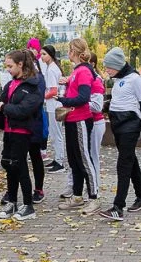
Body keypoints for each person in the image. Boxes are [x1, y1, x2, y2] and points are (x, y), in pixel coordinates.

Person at [0, 49, 44, 220]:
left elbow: (24, 110)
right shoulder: (10, 85)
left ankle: (28, 205)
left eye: (10, 66)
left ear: (20, 64)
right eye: (6, 66)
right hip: (9, 130)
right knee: (9, 165)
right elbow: (3, 103)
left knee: (20, 165)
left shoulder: (32, 86)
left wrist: (2, 107)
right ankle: (12, 201)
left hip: (22, 131)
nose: (7, 69)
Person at [99, 47, 141, 221]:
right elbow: (119, 101)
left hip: (130, 127)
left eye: (109, 66)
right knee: (130, 160)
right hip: (118, 125)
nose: (107, 69)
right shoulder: (118, 80)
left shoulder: (135, 79)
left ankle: (118, 207)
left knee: (123, 164)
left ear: (117, 65)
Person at [56, 38, 99, 215]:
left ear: (74, 51)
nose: (68, 52)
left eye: (69, 49)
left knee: (84, 159)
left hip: (81, 119)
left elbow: (83, 98)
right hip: (72, 120)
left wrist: (63, 100)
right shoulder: (77, 71)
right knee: (74, 159)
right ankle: (77, 195)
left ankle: (94, 197)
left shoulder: (83, 72)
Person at [26, 38, 49, 204]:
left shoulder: (38, 78)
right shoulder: (16, 79)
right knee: (17, 159)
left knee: (35, 156)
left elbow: (38, 99)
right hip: (19, 126)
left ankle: (38, 188)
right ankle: (14, 190)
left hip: (34, 123)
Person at [40, 45, 66, 173]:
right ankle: (57, 159)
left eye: (44, 54)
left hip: (54, 106)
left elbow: (53, 91)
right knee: (55, 133)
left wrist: (40, 97)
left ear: (50, 54)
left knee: (57, 134)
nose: (42, 57)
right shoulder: (52, 68)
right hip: (53, 105)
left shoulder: (51, 70)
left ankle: (60, 161)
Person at [87, 53, 106, 207]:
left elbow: (97, 106)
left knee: (93, 156)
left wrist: (78, 103)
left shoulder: (96, 80)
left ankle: (96, 187)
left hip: (96, 122)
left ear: (92, 64)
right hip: (86, 121)